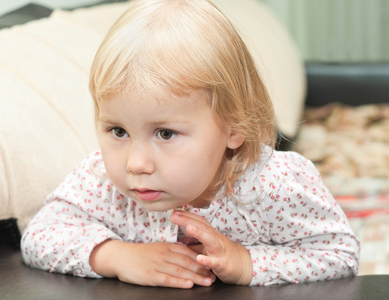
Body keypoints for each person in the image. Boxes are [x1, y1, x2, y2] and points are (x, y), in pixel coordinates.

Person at [21, 0, 360, 288]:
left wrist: (246, 262)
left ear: (233, 126)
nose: (136, 164)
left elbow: (339, 255)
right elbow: (39, 236)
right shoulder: (101, 182)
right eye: (118, 131)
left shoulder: (275, 185)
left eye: (165, 133)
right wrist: (114, 256)